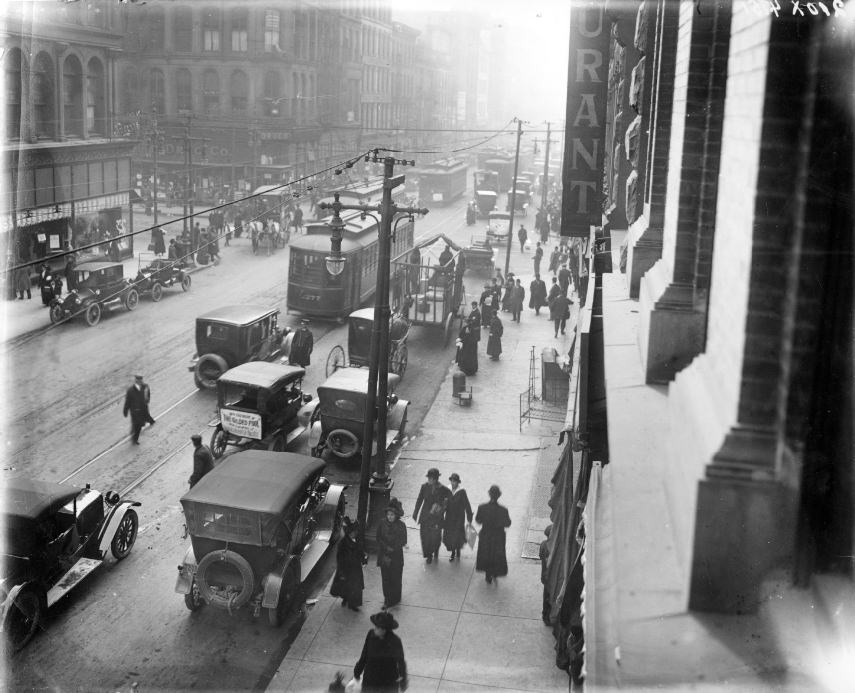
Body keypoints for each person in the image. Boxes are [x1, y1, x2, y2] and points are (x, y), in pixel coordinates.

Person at [353, 611, 408, 692]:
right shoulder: (371, 634)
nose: (375, 629)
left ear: (384, 630)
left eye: (377, 627)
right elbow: (364, 654)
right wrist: (357, 670)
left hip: (388, 681)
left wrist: (403, 680)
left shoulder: (395, 641)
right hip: (370, 679)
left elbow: (401, 662)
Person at [475, 484, 512, 584]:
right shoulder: (503, 510)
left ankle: (488, 574)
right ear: (499, 496)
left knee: (486, 554)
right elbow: (508, 523)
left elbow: (478, 520)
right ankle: (495, 571)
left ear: (489, 494)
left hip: (486, 535)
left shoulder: (482, 508)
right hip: (498, 536)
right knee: (496, 555)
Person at [412, 468, 450, 564]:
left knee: (435, 537)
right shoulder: (424, 487)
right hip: (425, 516)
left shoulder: (443, 489)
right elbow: (419, 499)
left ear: (436, 479)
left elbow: (449, 501)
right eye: (429, 478)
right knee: (425, 536)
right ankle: (429, 555)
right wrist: (415, 512)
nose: (430, 480)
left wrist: (442, 507)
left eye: (432, 478)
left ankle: (435, 550)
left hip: (436, 517)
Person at [330, 517, 367, 611]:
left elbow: (360, 551)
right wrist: (341, 572)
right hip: (346, 569)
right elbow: (340, 558)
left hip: (355, 568)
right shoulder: (343, 543)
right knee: (346, 586)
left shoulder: (357, 541)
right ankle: (346, 599)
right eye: (354, 532)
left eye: (356, 532)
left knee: (355, 587)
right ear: (349, 532)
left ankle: (353, 604)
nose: (356, 533)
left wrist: (364, 558)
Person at [376, 499, 407, 608]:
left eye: (392, 515)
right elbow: (378, 537)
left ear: (396, 515)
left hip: (396, 557)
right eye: (388, 514)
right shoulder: (382, 523)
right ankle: (387, 599)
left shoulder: (401, 525)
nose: (390, 517)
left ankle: (395, 598)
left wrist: (393, 548)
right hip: (384, 555)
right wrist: (386, 547)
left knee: (396, 578)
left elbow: (404, 541)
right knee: (386, 578)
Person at [443, 473, 473, 562]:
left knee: (457, 535)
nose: (453, 483)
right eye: (452, 481)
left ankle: (458, 550)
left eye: (455, 481)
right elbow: (444, 504)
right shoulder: (447, 490)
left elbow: (467, 505)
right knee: (450, 536)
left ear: (458, 482)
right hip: (449, 517)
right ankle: (453, 553)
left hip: (459, 517)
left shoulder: (462, 492)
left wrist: (469, 518)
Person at [123, 374, 154, 444]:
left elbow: (148, 393)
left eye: (140, 380)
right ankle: (134, 439)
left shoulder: (145, 386)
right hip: (135, 412)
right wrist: (125, 410)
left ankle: (135, 434)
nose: (140, 382)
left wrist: (148, 400)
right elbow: (127, 402)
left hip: (143, 409)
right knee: (137, 424)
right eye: (138, 381)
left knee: (139, 425)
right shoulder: (130, 390)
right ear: (136, 381)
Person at [540, 524, 553, 624]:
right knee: (550, 596)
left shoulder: (543, 544)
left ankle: (545, 615)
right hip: (551, 575)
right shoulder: (553, 546)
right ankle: (548, 616)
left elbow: (540, 556)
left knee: (546, 596)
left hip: (545, 575)